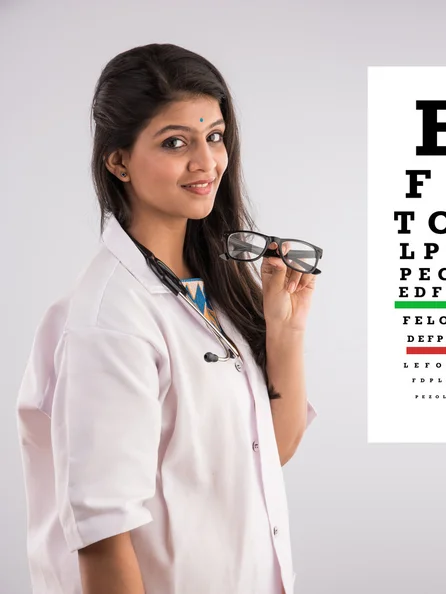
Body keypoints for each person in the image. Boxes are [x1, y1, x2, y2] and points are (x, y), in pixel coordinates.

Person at [15, 43, 318, 594]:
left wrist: (285, 331)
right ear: (119, 160)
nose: (207, 162)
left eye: (216, 136)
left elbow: (272, 452)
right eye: (175, 142)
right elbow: (103, 539)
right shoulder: (110, 320)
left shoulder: (209, 292)